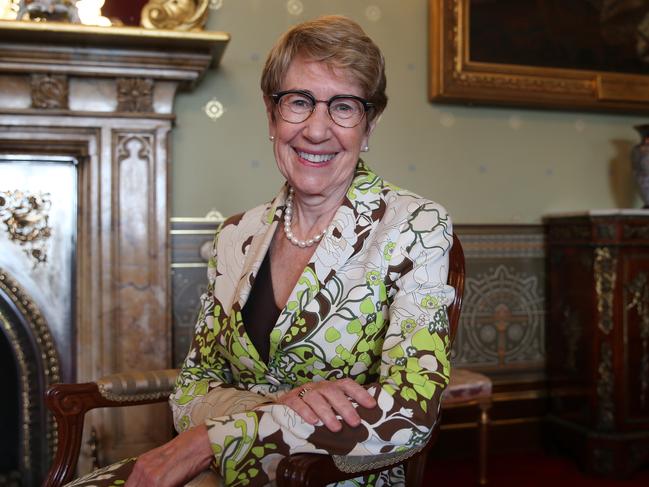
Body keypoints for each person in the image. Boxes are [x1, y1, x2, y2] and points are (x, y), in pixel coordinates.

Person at [65, 15, 454, 487]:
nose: (316, 129)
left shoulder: (416, 225)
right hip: (215, 471)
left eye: (344, 107)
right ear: (272, 116)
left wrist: (213, 438)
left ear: (368, 125)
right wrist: (276, 410)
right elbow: (190, 390)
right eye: (299, 102)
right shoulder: (236, 237)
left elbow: (412, 411)